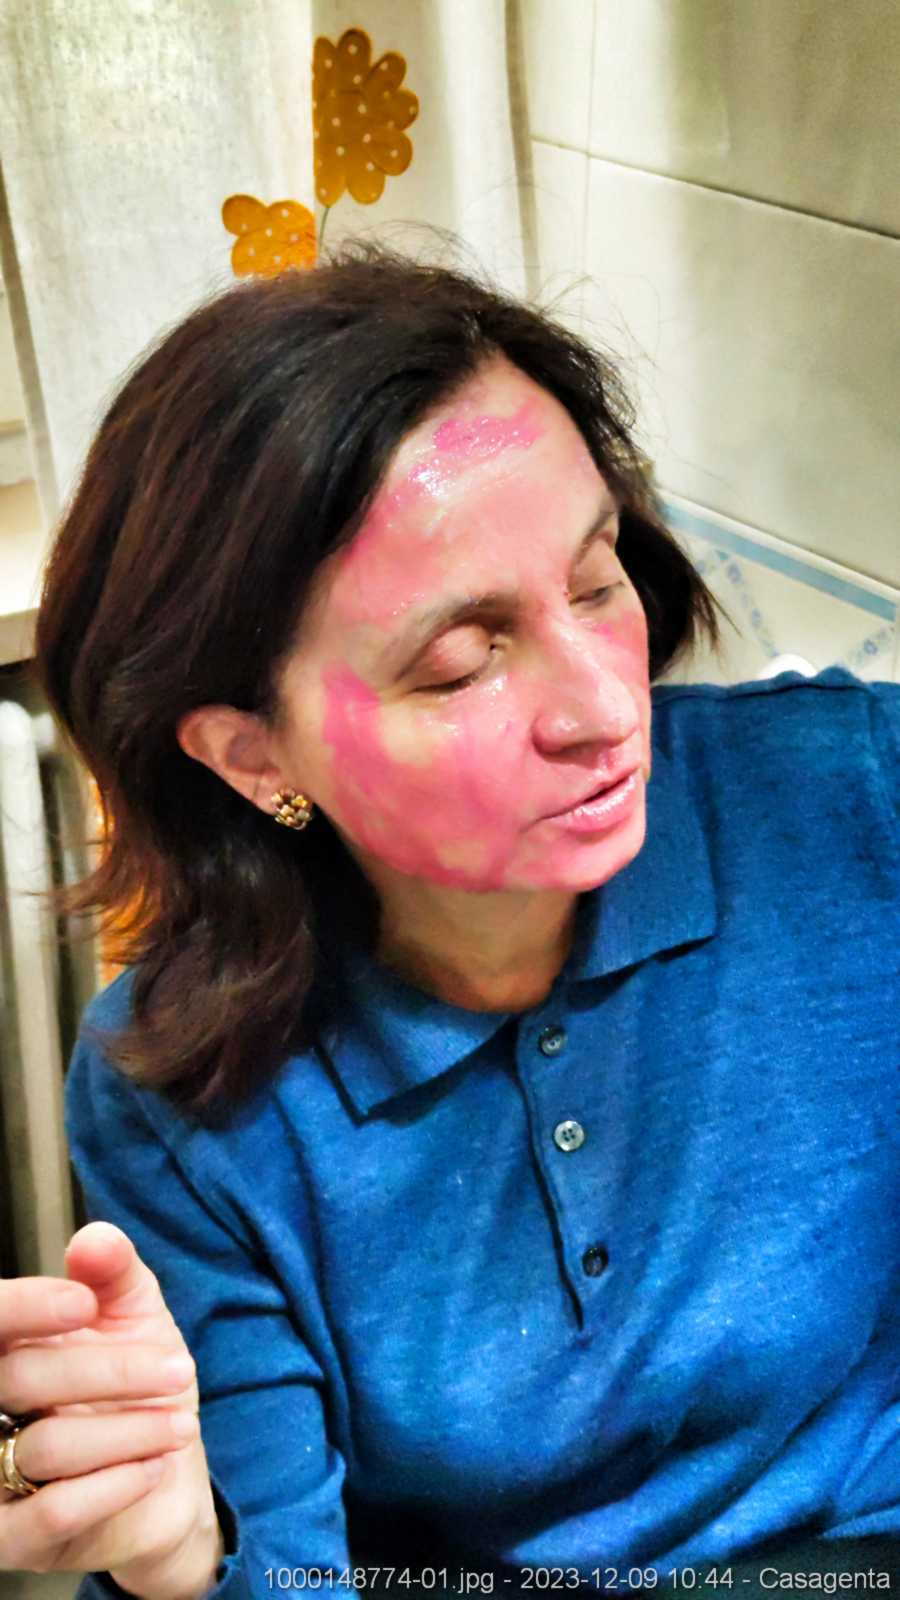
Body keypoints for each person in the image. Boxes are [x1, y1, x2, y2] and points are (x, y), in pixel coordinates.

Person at [1, 242, 898, 1600]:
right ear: (254, 755)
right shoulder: (187, 1096)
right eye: (463, 662)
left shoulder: (853, 801)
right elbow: (290, 1577)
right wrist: (183, 1563)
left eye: (595, 582)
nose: (604, 707)